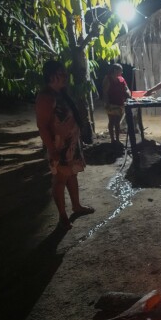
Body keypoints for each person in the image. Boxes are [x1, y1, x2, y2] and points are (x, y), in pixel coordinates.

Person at [36, 60, 95, 231]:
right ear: (51, 75)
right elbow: (43, 127)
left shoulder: (60, 93)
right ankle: (63, 215)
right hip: (59, 146)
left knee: (72, 174)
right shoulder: (46, 97)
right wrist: (52, 150)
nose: (65, 76)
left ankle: (76, 206)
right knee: (60, 180)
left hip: (71, 144)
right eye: (61, 73)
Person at [102, 63, 131, 144]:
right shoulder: (108, 78)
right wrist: (106, 103)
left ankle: (117, 139)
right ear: (115, 70)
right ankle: (112, 139)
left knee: (117, 122)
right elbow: (105, 92)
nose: (122, 72)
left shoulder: (121, 79)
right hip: (111, 103)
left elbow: (126, 88)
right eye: (120, 70)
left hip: (120, 102)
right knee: (111, 121)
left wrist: (128, 93)